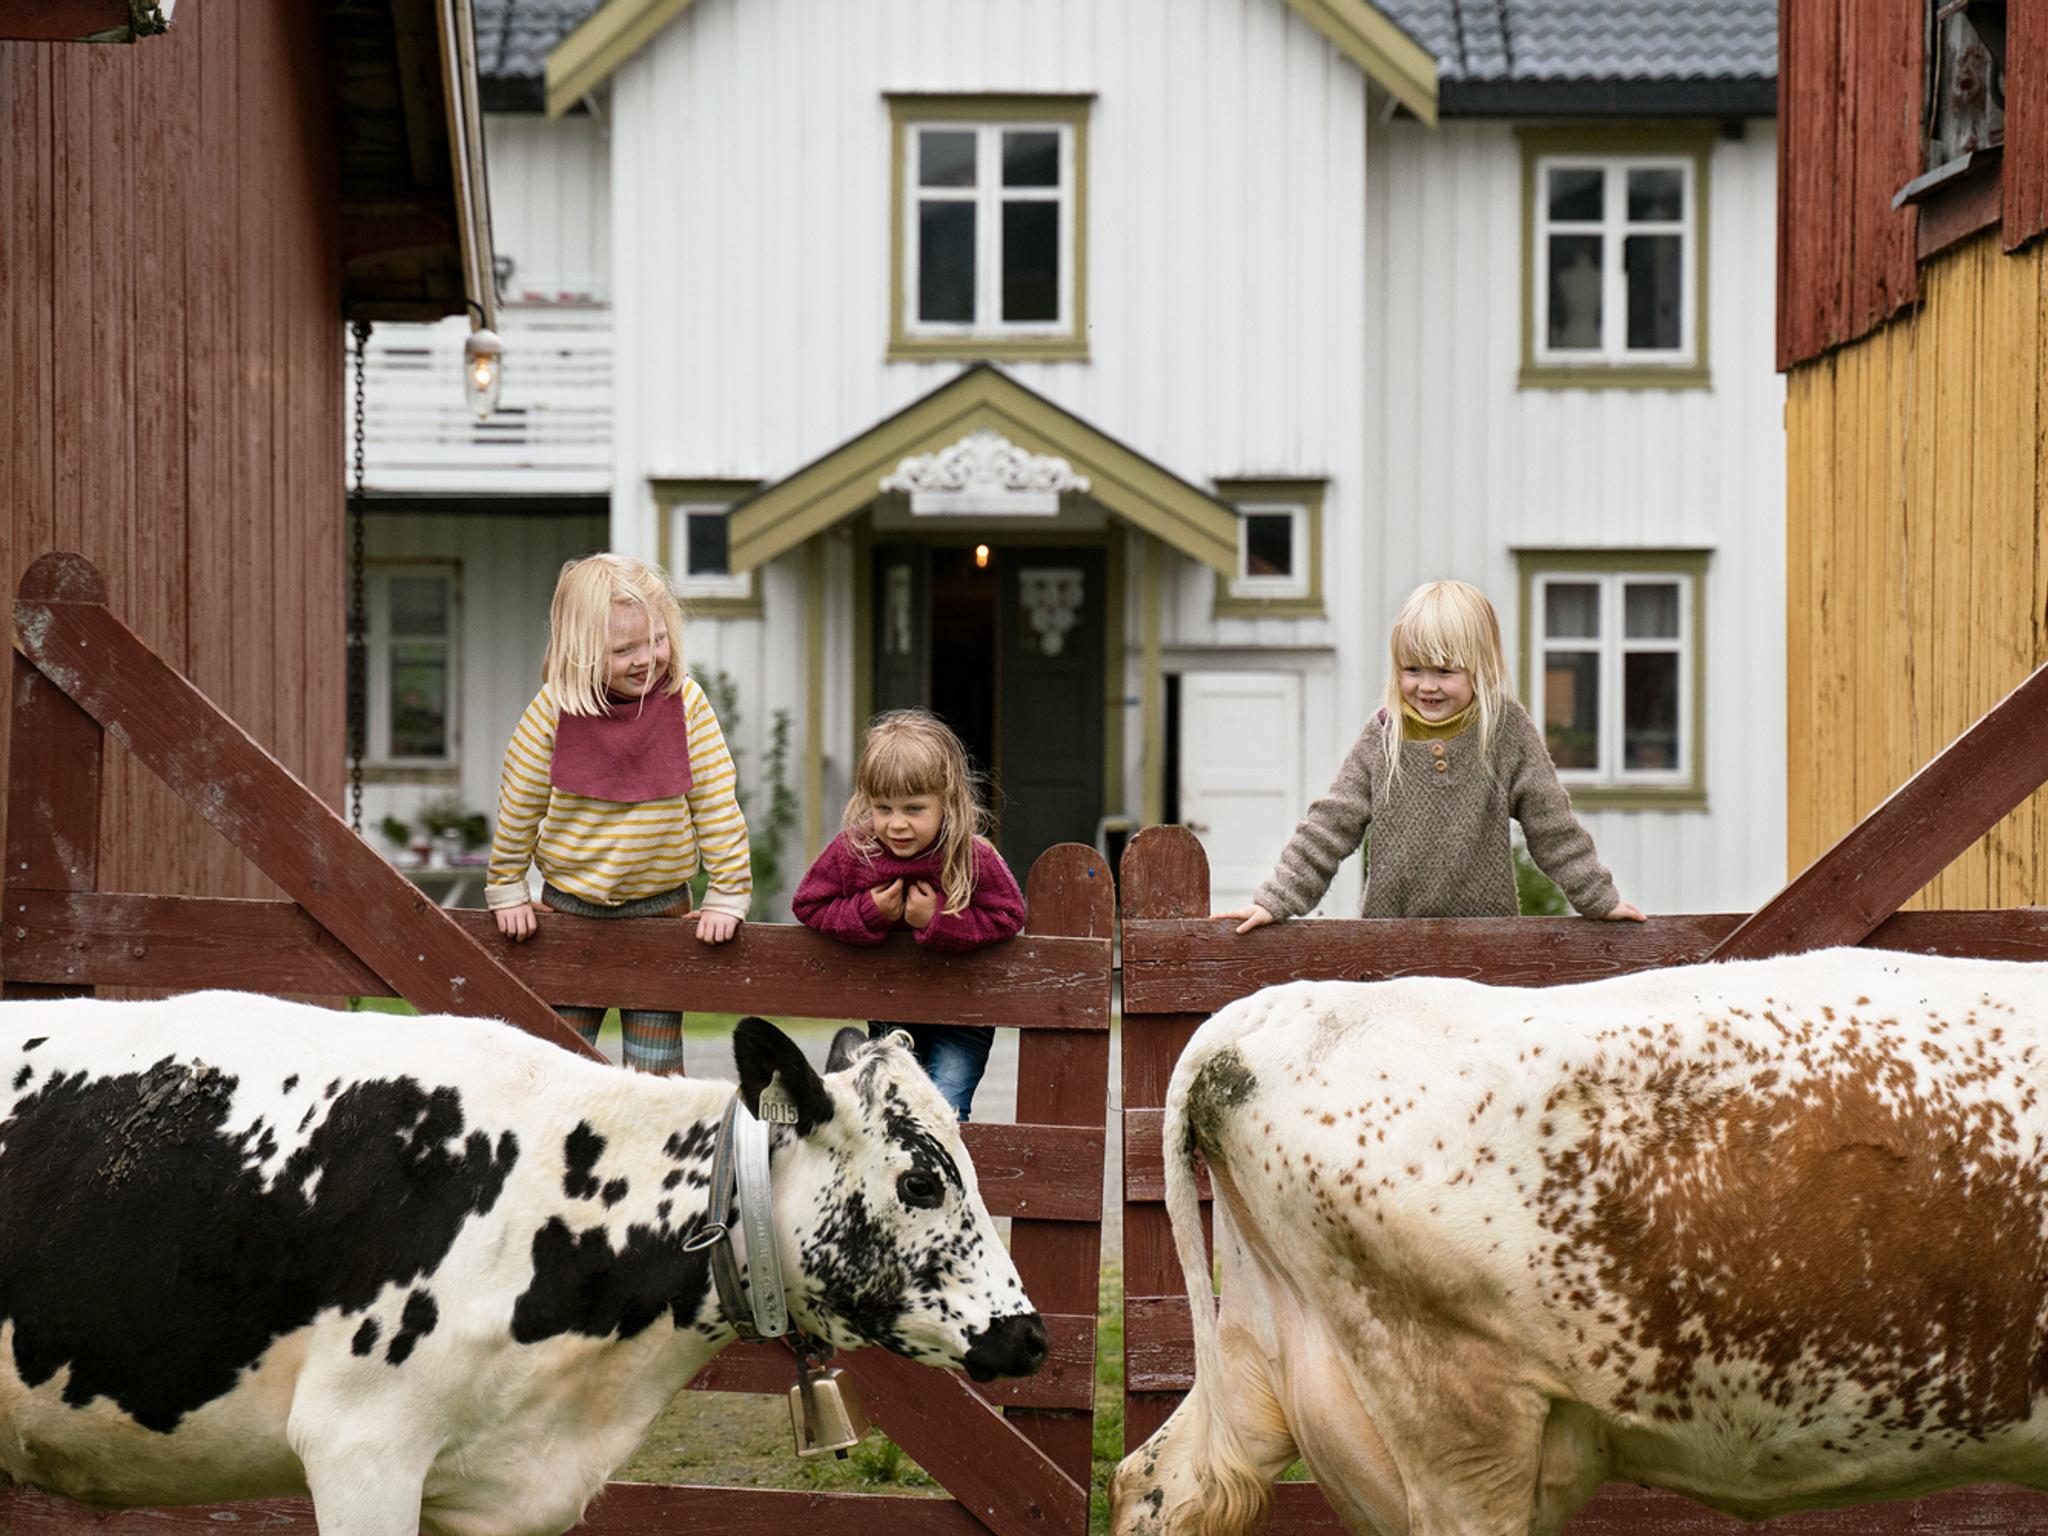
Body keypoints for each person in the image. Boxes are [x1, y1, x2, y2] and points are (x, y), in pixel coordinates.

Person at [1222, 579, 1645, 931]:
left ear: (1480, 668)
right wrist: (1276, 900)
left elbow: (1551, 825)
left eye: (1444, 671)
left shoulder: (1505, 731)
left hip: (1488, 941)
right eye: (1413, 670)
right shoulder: (1383, 736)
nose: (1427, 686)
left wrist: (1598, 898)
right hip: (1391, 939)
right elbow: (1328, 826)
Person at [485, 553, 750, 1073]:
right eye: (624, 649)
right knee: (557, 1063)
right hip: (569, 912)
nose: (647, 659)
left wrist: (728, 891)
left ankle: (651, 1153)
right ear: (580, 653)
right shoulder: (554, 711)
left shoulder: (685, 704)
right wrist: (508, 885)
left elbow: (717, 801)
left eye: (656, 640)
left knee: (655, 1073)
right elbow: (520, 800)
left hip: (660, 912)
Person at [792, 709, 1025, 1120]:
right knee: (888, 1114)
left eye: (914, 809)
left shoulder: (971, 856)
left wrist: (936, 919)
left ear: (946, 803)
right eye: (883, 808)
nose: (896, 824)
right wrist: (869, 911)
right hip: (892, 1004)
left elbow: (1008, 915)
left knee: (945, 1111)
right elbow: (809, 904)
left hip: (963, 1013)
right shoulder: (856, 851)